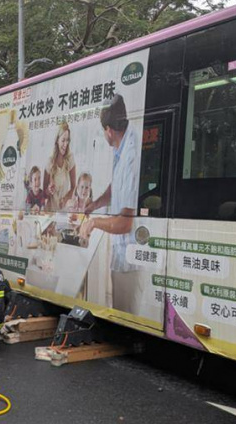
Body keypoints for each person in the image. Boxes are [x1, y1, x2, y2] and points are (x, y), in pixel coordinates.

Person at [79, 94, 142, 313]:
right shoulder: (122, 146)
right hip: (121, 258)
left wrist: (93, 223)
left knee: (124, 315)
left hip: (127, 262)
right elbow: (116, 186)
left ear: (108, 130)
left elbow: (125, 224)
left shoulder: (130, 157)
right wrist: (94, 204)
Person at [43, 122, 76, 211]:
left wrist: (65, 199)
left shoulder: (70, 159)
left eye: (67, 140)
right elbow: (44, 194)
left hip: (63, 211)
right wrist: (49, 190)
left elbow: (74, 187)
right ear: (57, 140)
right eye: (63, 140)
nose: (66, 144)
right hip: (50, 212)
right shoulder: (50, 162)